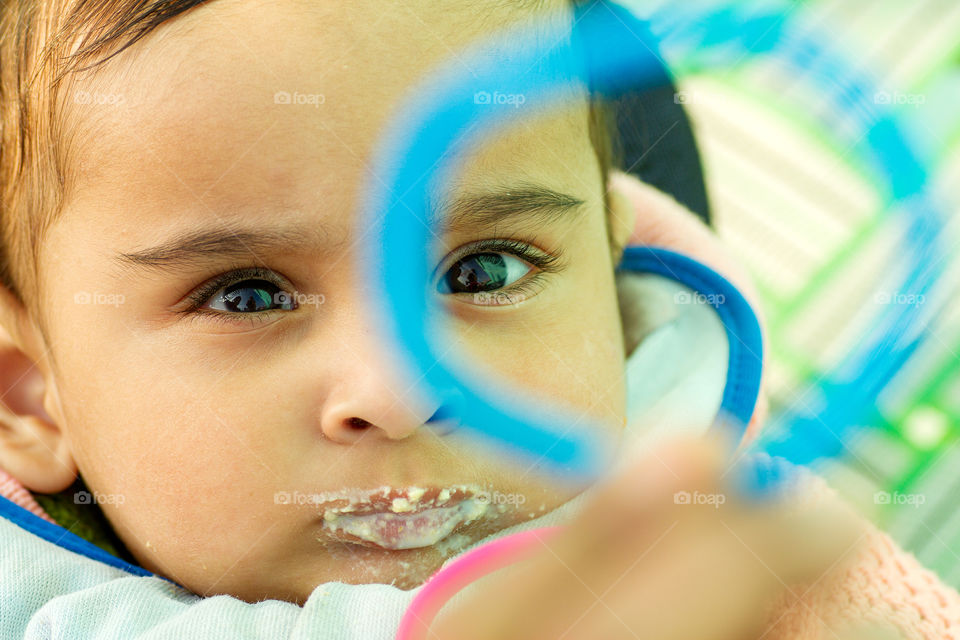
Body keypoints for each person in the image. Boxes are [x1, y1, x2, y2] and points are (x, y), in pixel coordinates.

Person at [0, 1, 956, 638]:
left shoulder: (758, 552)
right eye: (247, 295)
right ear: (30, 397)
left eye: (482, 270)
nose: (404, 390)